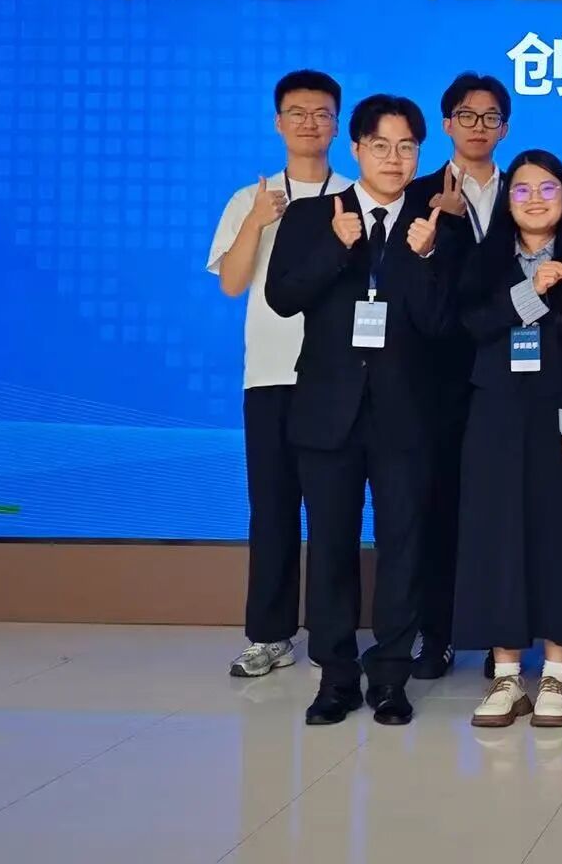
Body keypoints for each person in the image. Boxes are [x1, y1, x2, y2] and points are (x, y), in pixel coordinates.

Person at [265, 95, 459, 727]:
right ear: (355, 149)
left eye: (406, 147)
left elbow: (443, 326)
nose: (394, 159)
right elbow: (281, 298)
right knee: (330, 548)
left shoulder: (438, 225)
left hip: (406, 416)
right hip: (328, 414)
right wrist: (334, 247)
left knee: (403, 547)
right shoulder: (314, 216)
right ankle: (336, 677)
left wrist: (424, 259)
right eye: (380, 146)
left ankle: (392, 677)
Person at [454, 152, 562, 729]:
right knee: (496, 536)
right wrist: (533, 291)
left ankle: (556, 672)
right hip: (495, 414)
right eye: (522, 190)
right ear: (507, 200)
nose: (536, 199)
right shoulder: (486, 256)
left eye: (548, 188)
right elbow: (472, 324)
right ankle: (505, 674)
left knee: (559, 537)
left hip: (560, 418)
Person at [207, 69, 349, 679]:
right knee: (271, 508)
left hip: (338, 377)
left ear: (338, 124)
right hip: (269, 375)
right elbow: (233, 283)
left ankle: (333, 638)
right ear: (278, 122)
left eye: (321, 113)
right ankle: (269, 635)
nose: (310, 123)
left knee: (334, 512)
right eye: (297, 112)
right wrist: (256, 222)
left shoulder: (355, 195)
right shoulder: (251, 198)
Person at [406, 71, 512, 683]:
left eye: (490, 117)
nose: (478, 126)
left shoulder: (527, 191)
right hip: (439, 377)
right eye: (467, 116)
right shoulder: (419, 192)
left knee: (503, 507)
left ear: (505, 128)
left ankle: (505, 635)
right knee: (438, 506)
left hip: (510, 371)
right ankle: (437, 634)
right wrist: (444, 224)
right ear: (447, 123)